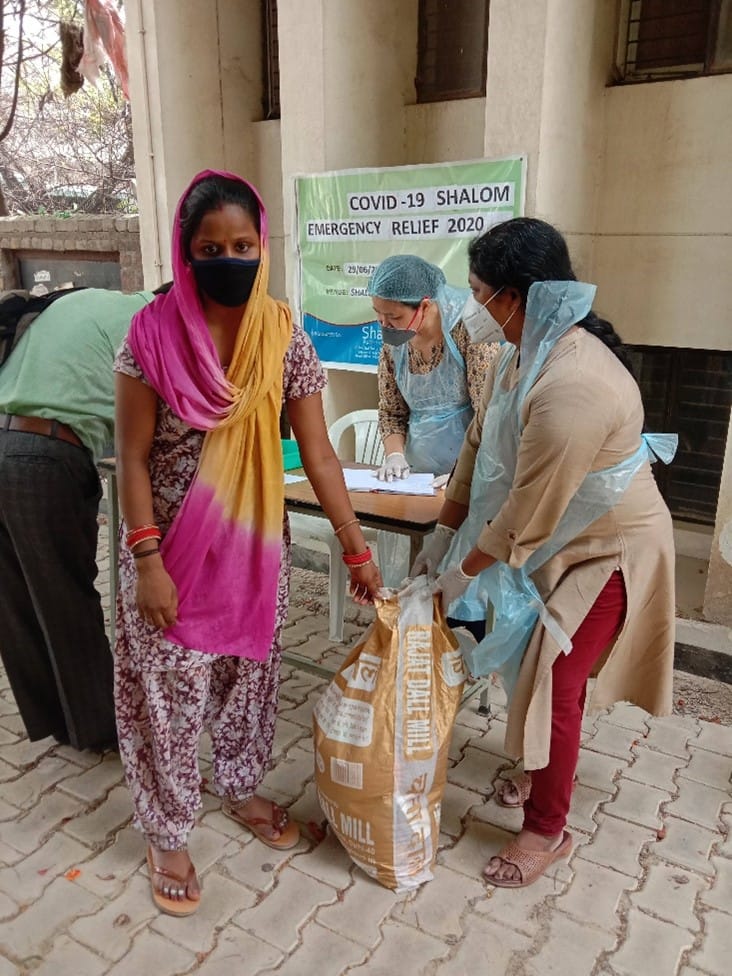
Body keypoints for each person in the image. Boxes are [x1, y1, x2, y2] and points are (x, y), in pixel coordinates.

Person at [114, 169, 383, 917]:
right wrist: (146, 560)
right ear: (186, 250)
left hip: (254, 551)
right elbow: (131, 456)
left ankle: (236, 786)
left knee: (246, 680)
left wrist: (354, 548)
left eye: (241, 243)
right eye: (210, 246)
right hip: (170, 554)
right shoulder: (152, 334)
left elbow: (319, 451)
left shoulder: (283, 332)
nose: (228, 256)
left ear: (261, 244)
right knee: (167, 697)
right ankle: (167, 830)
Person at [412, 217, 676, 888]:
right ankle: (539, 770)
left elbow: (526, 514)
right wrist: (442, 533)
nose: (472, 308)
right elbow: (478, 450)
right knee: (518, 664)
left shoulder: (573, 387)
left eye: (479, 292)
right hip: (556, 542)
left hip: (606, 555)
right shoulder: (520, 353)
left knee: (553, 678)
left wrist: (456, 577)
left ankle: (547, 828)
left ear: (517, 294)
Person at [0, 286, 154, 750]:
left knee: (16, 600)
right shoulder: (149, 322)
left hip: (5, 438)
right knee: (68, 597)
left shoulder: (82, 300)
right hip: (46, 455)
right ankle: (101, 731)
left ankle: (54, 720)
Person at [368, 254, 498, 481]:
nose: (384, 324)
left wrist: (465, 474)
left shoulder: (469, 331)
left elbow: (490, 417)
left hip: (475, 473)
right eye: (378, 314)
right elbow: (391, 411)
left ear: (425, 306)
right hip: (417, 476)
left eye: (393, 316)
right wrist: (395, 456)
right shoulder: (395, 344)